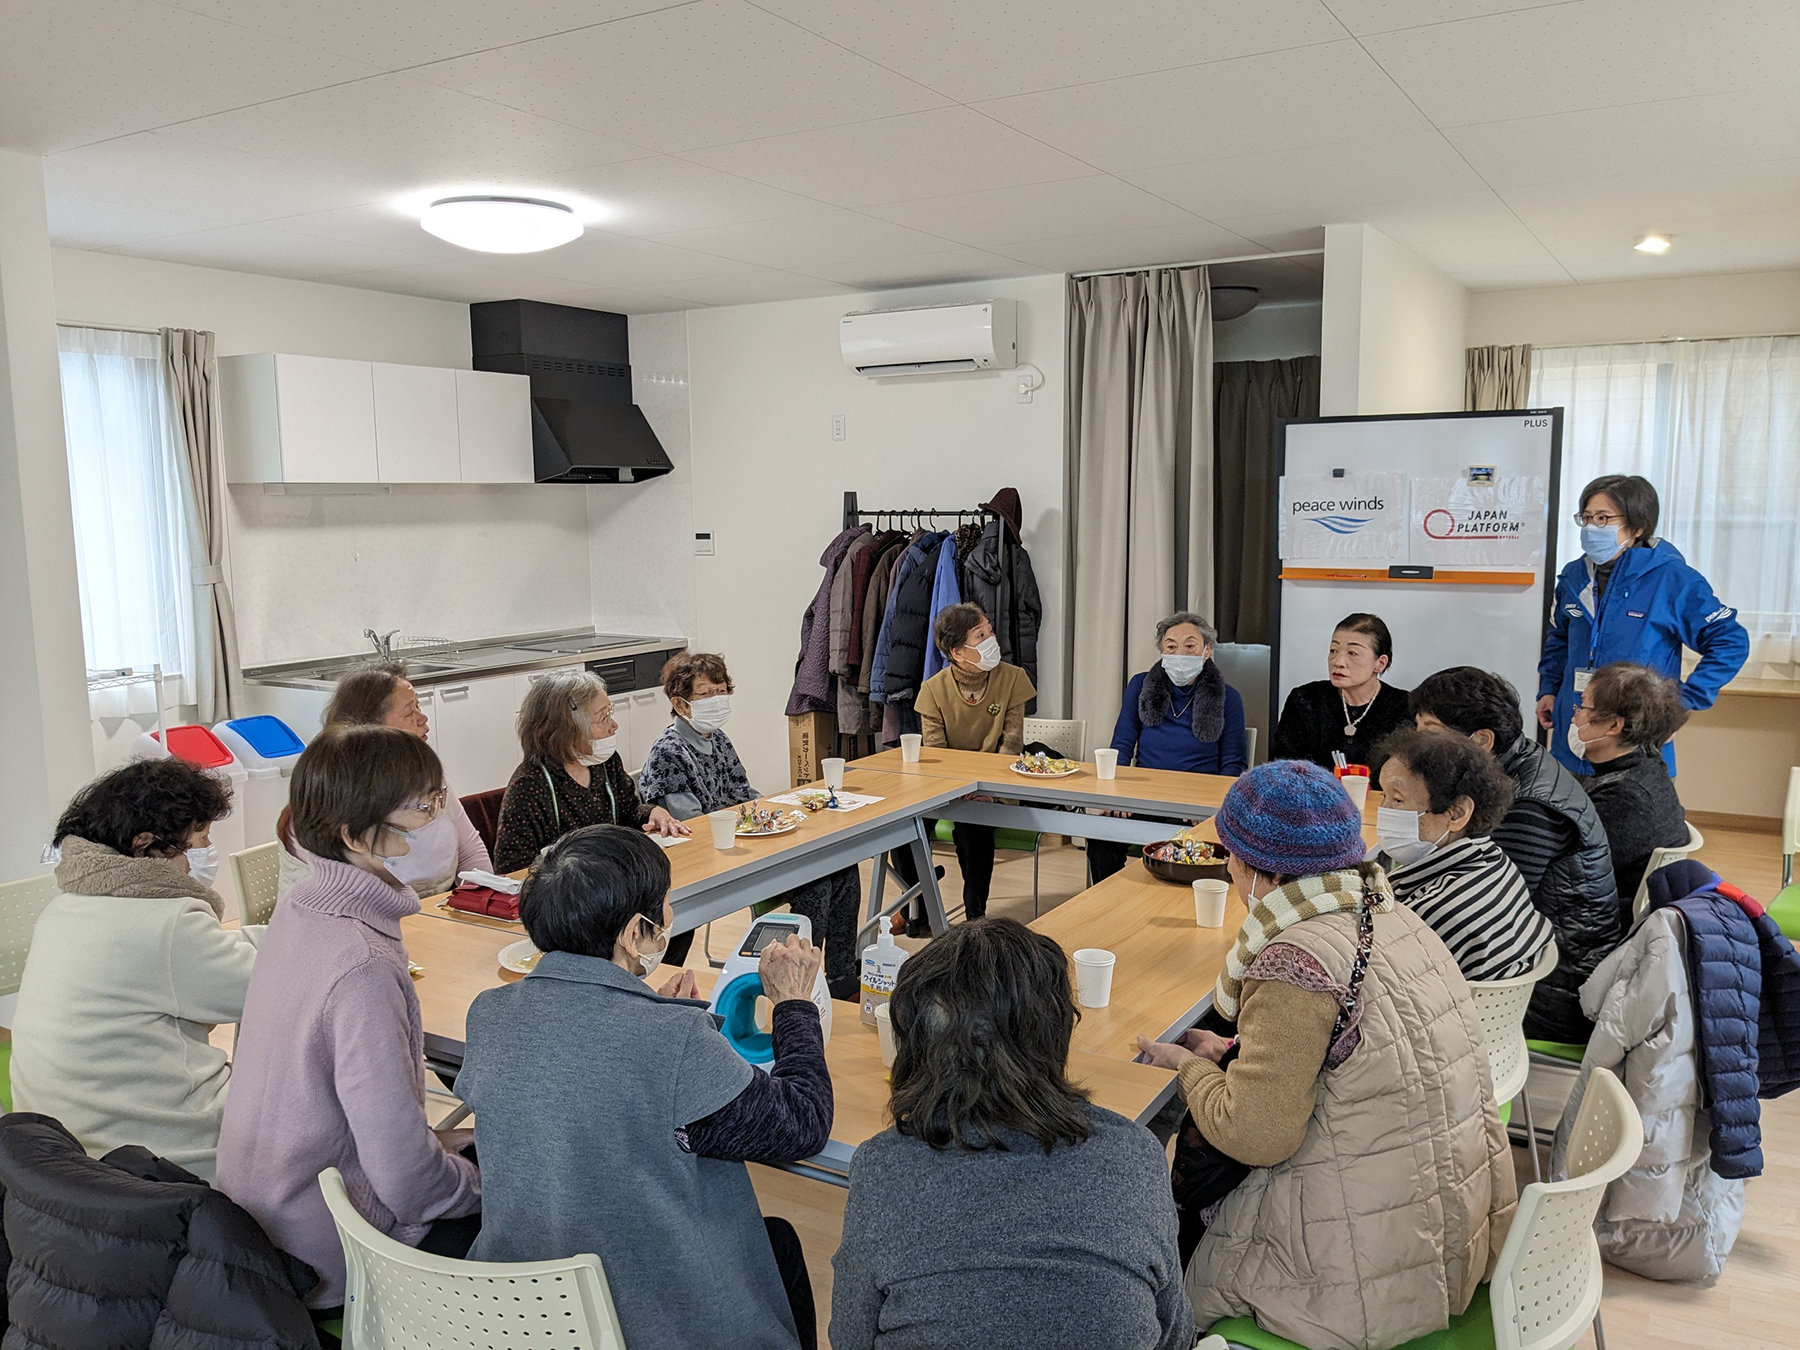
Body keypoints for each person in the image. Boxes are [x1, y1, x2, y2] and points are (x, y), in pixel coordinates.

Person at [1134, 761, 1515, 1350]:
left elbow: (1257, 1135)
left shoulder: (1294, 961)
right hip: (1445, 1229)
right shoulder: (1394, 916)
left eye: (1229, 852)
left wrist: (1192, 1069)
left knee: (1160, 1193)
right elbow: (1360, 1054)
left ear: (1249, 866)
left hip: (1360, 1269)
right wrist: (1236, 1051)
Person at [459, 825, 829, 1350]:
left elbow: (585, 1067)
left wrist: (647, 1007)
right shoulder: (672, 1040)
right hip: (649, 1320)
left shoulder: (488, 1014)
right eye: (665, 904)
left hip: (527, 1314)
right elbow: (804, 1124)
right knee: (781, 1248)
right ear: (636, 933)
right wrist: (794, 1005)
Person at [830, 918, 1193, 1350]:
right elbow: (1175, 1335)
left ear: (916, 1046)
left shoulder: (882, 1168)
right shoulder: (1135, 1155)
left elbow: (850, 1337)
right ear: (1055, 1034)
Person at [217, 725, 481, 1312]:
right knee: (543, 1205)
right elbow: (408, 1184)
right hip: (329, 1250)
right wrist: (481, 1183)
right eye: (421, 808)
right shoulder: (360, 963)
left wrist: (445, 1144)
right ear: (355, 836)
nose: (442, 821)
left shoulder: (302, 906)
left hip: (265, 1210)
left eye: (438, 799)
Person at [10, 759, 261, 1184]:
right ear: (146, 846)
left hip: (59, 1155)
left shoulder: (63, 907)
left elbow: (206, 961)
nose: (194, 862)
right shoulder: (168, 923)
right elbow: (274, 985)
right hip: (158, 1159)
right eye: (194, 845)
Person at [1409, 667, 1619, 1044]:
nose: (1418, 746)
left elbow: (1485, 908)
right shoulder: (1516, 762)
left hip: (1552, 992)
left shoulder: (1528, 805)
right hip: (1543, 960)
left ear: (1483, 739)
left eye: (1430, 733)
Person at [637, 651, 863, 1000]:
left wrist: (780, 812)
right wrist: (751, 821)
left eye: (721, 690)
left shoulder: (719, 740)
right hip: (707, 865)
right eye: (705, 694)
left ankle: (840, 976)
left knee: (842, 867)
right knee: (815, 884)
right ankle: (803, 980)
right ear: (681, 705)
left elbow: (744, 796)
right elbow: (693, 825)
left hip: (745, 850)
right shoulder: (669, 752)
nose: (717, 699)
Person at [1537, 473, 1746, 776]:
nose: (1592, 527)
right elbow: (1559, 638)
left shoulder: (1671, 579)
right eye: (1586, 518)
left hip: (1634, 739)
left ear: (1636, 526)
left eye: (1603, 518)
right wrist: (1549, 689)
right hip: (1572, 734)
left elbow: (1730, 642)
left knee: (1631, 818)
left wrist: (1681, 703)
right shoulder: (1574, 576)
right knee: (1567, 820)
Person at [277, 661, 493, 898]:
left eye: (419, 707)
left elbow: (470, 851)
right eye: (410, 712)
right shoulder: (332, 792)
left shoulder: (426, 775)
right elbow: (347, 900)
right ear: (371, 727)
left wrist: (482, 903)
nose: (423, 719)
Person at [1374, 728, 1554, 982]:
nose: (1384, 811)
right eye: (1384, 795)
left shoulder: (1430, 913)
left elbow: (1377, 987)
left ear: (1456, 813)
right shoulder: (1494, 859)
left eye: (1398, 800)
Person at [894, 602, 1036, 924]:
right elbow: (935, 750)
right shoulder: (933, 690)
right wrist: (955, 790)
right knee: (904, 833)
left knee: (975, 831)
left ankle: (976, 920)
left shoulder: (1013, 678)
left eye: (989, 631)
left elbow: (1011, 742)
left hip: (995, 786)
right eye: (980, 635)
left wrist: (991, 790)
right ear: (958, 652)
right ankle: (919, 911)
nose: (991, 639)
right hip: (946, 787)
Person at [1088, 611, 1249, 884]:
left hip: (1197, 803)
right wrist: (1118, 797)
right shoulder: (1140, 685)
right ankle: (1112, 905)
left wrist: (1209, 811)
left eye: (1190, 646)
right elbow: (1122, 745)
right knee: (1100, 837)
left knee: (1193, 854)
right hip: (1145, 794)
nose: (1180, 654)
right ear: (1162, 651)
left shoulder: (1229, 697)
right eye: (1171, 646)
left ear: (1206, 651)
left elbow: (1233, 763)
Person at [1571, 662, 1692, 904]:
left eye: (1583, 707)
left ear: (1615, 725)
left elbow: (1575, 872)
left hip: (1603, 919)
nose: (1575, 718)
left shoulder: (1626, 796)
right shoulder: (1647, 766)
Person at [1271, 612, 1411, 776]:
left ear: (1380, 663)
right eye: (1333, 650)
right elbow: (1282, 766)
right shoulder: (1306, 699)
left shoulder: (1403, 706)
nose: (1338, 662)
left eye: (1352, 653)